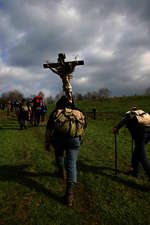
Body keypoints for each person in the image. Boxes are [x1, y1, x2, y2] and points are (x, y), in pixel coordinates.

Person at [45, 95, 86, 207]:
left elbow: (49, 129)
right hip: (74, 140)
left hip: (59, 139)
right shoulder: (78, 112)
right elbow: (84, 126)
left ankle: (60, 171)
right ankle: (69, 195)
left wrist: (47, 142)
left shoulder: (56, 112)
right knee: (72, 164)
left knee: (58, 153)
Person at [113, 107, 150, 179]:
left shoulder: (128, 114)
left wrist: (116, 127)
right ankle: (135, 172)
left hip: (141, 134)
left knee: (142, 157)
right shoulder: (141, 113)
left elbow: (123, 121)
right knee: (137, 152)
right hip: (148, 134)